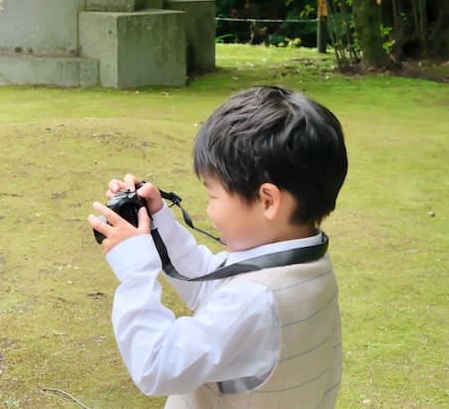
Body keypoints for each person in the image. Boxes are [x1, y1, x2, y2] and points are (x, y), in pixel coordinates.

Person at [88, 85, 347, 408]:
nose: (209, 210)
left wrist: (136, 274)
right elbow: (210, 283)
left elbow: (156, 365)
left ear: (267, 200)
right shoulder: (304, 262)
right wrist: (160, 223)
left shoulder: (255, 301)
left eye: (213, 195)